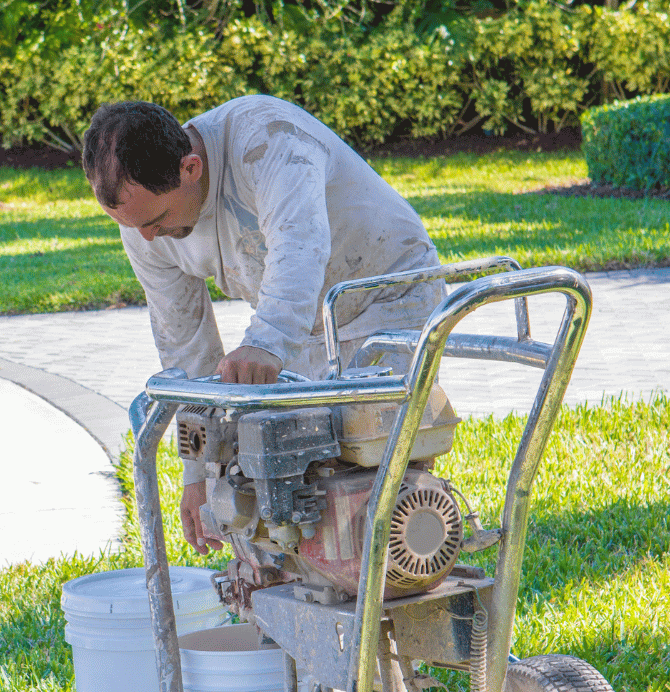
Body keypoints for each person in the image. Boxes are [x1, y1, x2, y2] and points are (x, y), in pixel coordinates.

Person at [81, 95, 445, 552]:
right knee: (296, 496)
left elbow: (301, 244)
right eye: (130, 226)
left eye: (155, 221)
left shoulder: (268, 138)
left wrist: (266, 342)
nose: (146, 239)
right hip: (308, 324)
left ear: (191, 168)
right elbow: (184, 345)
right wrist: (197, 473)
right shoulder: (142, 222)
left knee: (378, 494)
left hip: (390, 300)